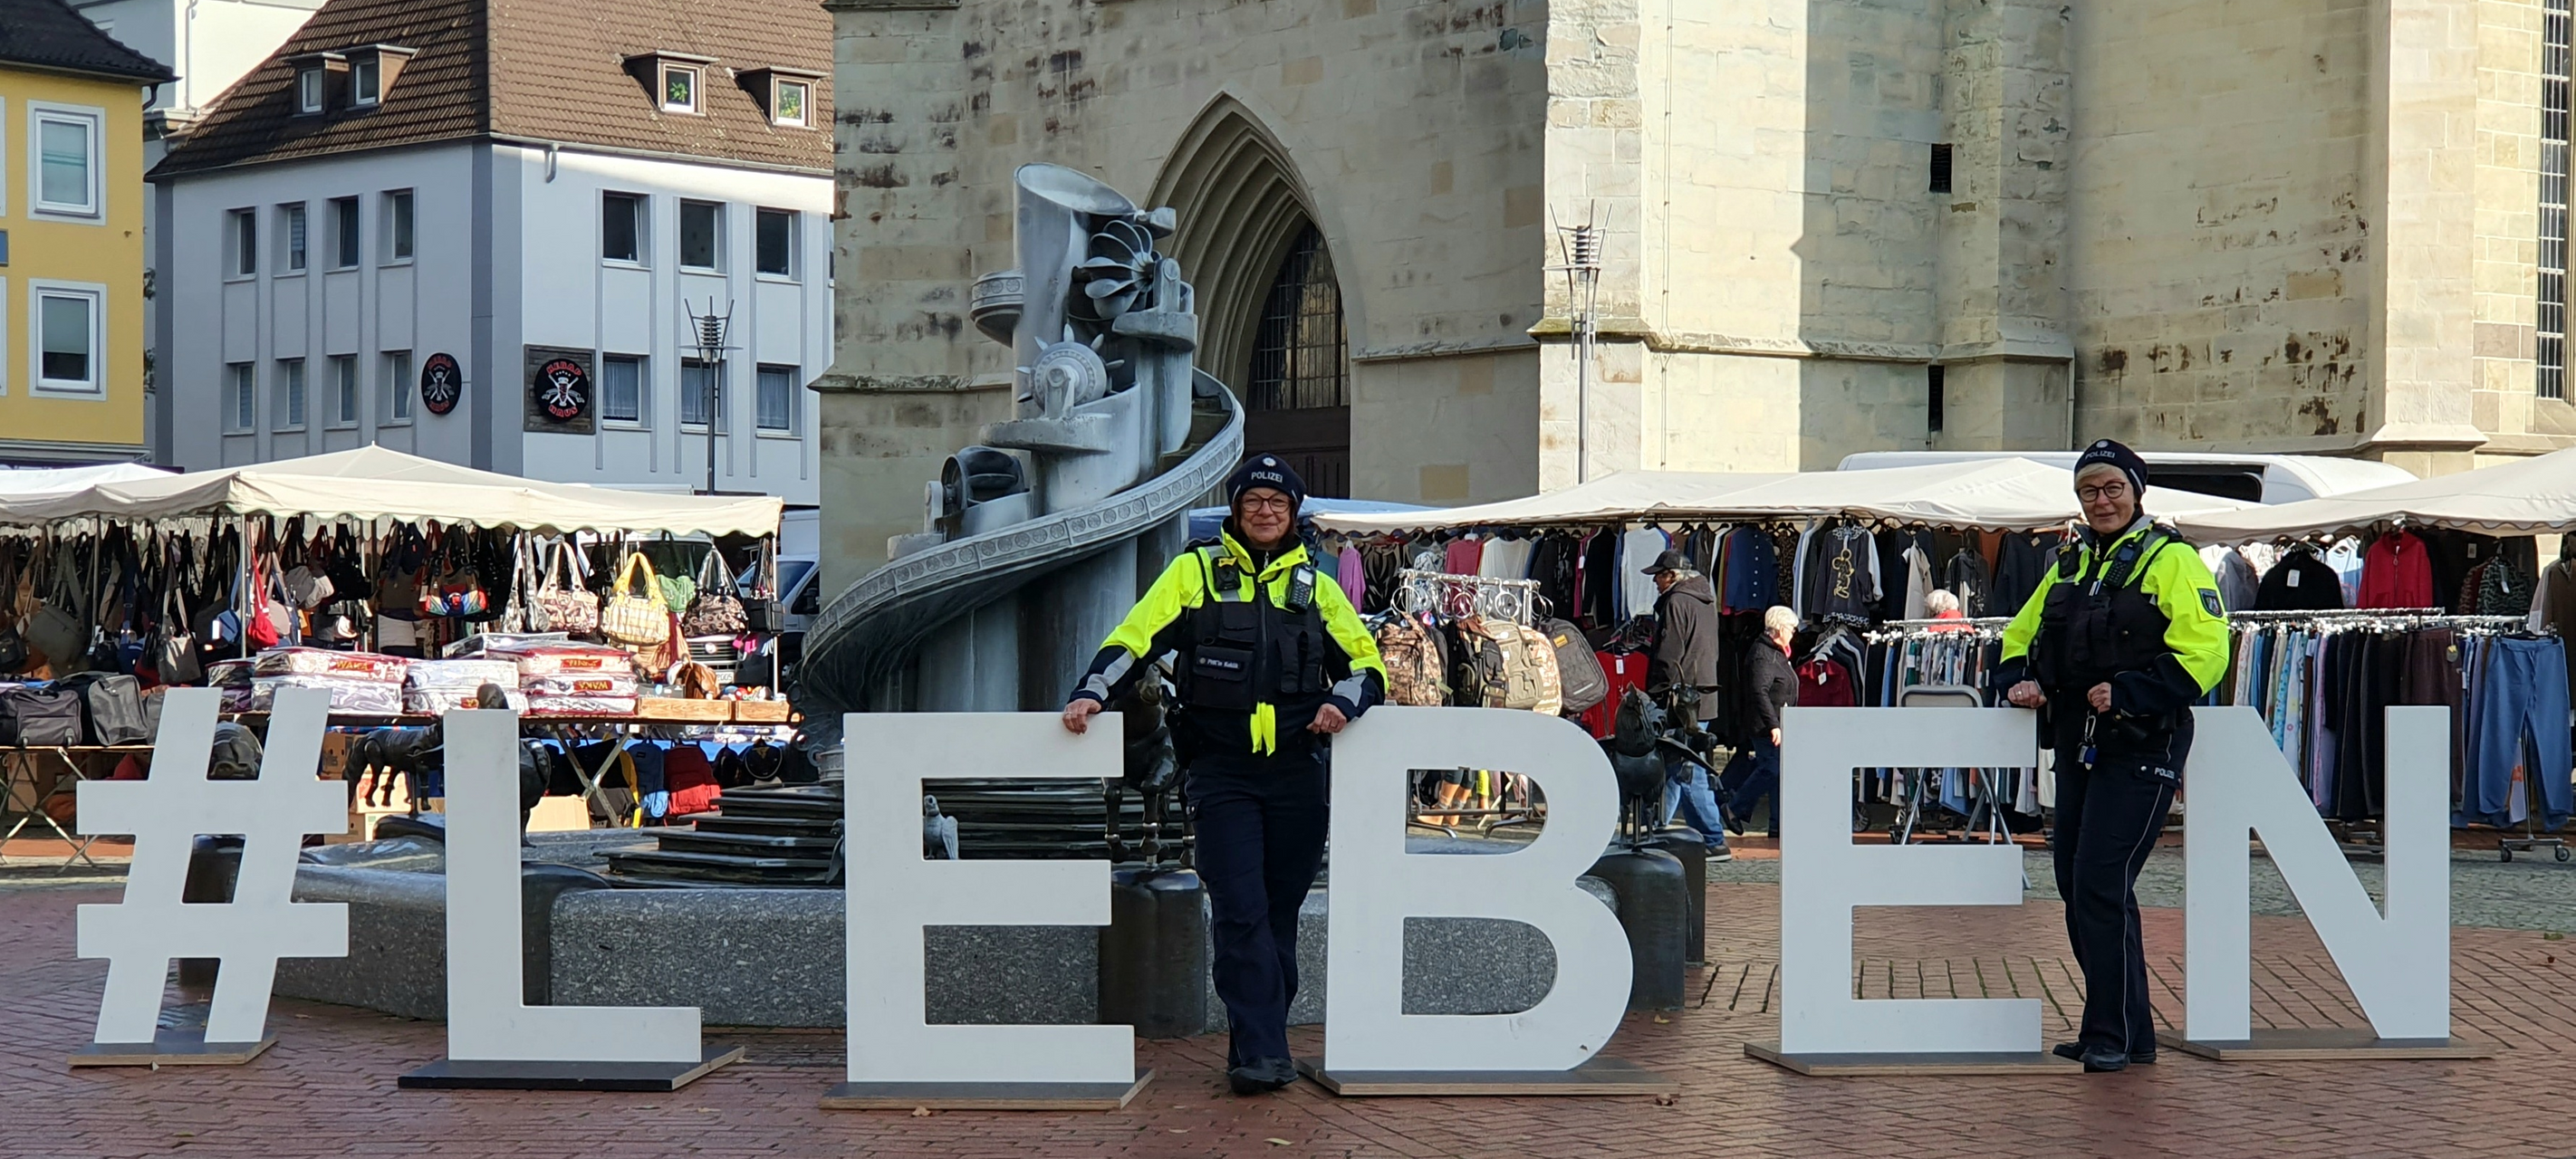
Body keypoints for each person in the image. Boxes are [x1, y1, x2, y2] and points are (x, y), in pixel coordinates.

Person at [1061, 455, 1387, 1096]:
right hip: (1220, 771)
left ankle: (1254, 1039)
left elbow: (1366, 666)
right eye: (1253, 501)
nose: (1265, 511)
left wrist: (1342, 703)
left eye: (1278, 502)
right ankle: (1264, 1055)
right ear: (1236, 510)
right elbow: (1134, 640)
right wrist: (1092, 692)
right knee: (1240, 912)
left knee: (1278, 915)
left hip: (1298, 770)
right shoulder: (1194, 572)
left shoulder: (1318, 586)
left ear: (1294, 514)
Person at [1995, 439, 2228, 1073]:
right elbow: (2019, 632)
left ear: (2137, 492)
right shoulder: (2069, 564)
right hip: (2077, 741)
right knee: (2077, 883)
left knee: (2101, 881)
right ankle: (2127, 1031)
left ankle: (2110, 1032)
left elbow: (2208, 651)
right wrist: (2020, 677)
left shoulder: (2172, 559)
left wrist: (2130, 691)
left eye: (2112, 489)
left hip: (2143, 739)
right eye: (2089, 491)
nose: (2101, 501)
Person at [1642, 549, 1730, 861]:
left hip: (1680, 698)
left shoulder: (1677, 602)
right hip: (1700, 695)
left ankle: (1711, 838)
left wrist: (1656, 692)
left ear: (1673, 576)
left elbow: (1670, 652)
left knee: (1686, 770)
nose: (1655, 581)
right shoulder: (1705, 601)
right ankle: (1654, 829)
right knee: (1675, 765)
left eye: (1659, 575)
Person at [1717, 605, 1797, 836]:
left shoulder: (1777, 652)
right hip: (1765, 726)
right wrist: (1774, 725)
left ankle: (1777, 825)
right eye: (1791, 628)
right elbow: (1758, 691)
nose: (1794, 632)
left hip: (1776, 723)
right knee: (1771, 769)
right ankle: (1733, 807)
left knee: (1778, 773)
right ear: (1780, 628)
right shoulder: (1763, 654)